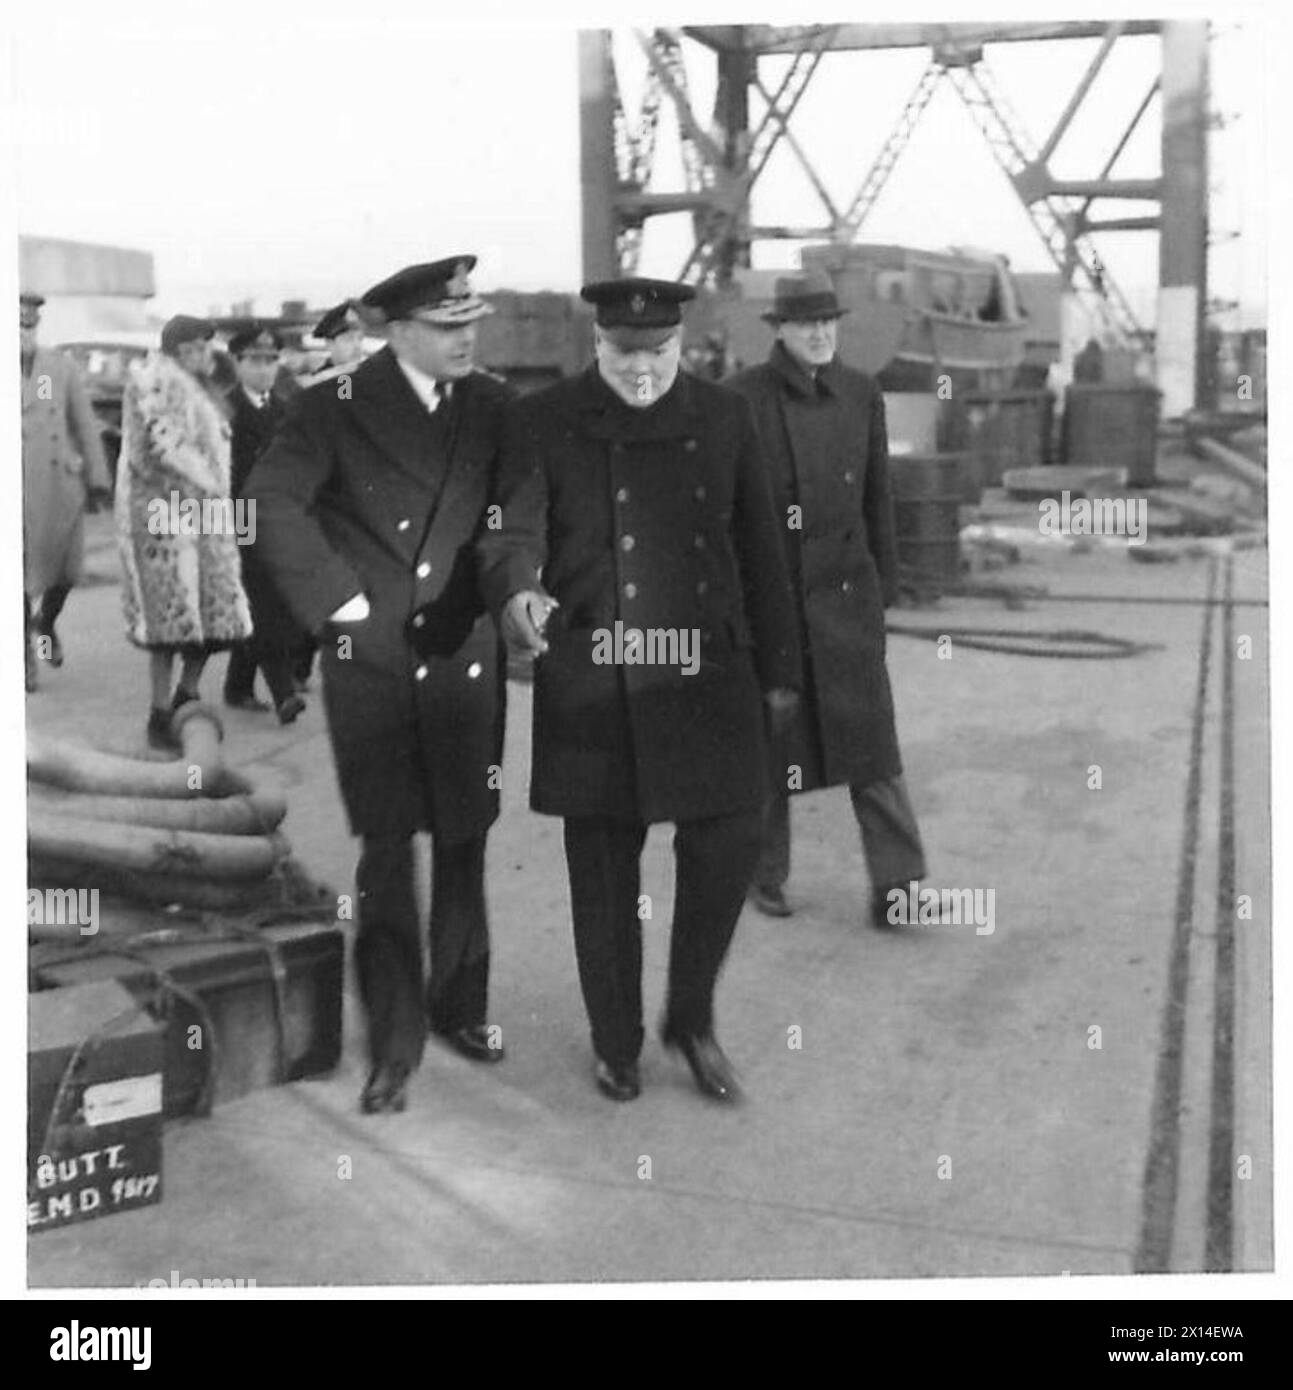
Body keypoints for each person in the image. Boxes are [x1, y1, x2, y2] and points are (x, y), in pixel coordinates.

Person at [478, 276, 801, 1104]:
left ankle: (689, 1020)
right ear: (597, 345)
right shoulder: (543, 419)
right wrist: (517, 586)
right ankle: (616, 1042)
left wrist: (781, 675)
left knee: (725, 847)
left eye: (657, 353)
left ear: (680, 345)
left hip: (706, 673)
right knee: (603, 873)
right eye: (624, 354)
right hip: (597, 675)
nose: (642, 370)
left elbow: (764, 548)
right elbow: (516, 527)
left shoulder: (726, 417)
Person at [247, 256, 513, 1116]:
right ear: (398, 332)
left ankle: (461, 1008)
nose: (465, 336)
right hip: (374, 658)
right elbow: (269, 502)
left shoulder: (495, 406)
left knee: (467, 838)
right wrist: (338, 600)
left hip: (463, 649)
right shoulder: (333, 408)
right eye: (446, 326)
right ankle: (394, 1042)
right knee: (390, 850)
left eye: (470, 320)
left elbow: (517, 513)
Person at [727, 272, 929, 929]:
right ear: (778, 330)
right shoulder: (742, 399)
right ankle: (762, 875)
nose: (819, 334)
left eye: (827, 323)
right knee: (770, 743)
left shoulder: (860, 393)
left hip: (845, 594)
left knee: (873, 748)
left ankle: (898, 889)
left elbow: (878, 498)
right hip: (775, 597)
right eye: (805, 324)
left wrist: (883, 589)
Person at [115, 315, 252, 749]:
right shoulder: (151, 383)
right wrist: (207, 485)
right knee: (168, 621)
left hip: (210, 511)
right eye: (196, 348)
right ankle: (159, 713)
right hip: (163, 511)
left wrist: (218, 498)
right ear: (177, 351)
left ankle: (187, 694)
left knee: (218, 615)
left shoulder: (204, 388)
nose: (205, 355)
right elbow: (161, 446)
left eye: (207, 347)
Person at [20, 290, 113, 690]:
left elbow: (85, 424)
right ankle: (27, 651)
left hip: (60, 487)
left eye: (31, 321)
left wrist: (97, 477)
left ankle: (47, 622)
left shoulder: (57, 367)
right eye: (18, 318)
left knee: (67, 573)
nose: (25, 325)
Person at [220, 324, 306, 723]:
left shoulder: (284, 409)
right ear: (237, 363)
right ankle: (283, 691)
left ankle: (237, 686)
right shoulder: (224, 410)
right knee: (263, 601)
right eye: (255, 361)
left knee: (266, 602)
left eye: (272, 361)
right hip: (241, 517)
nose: (265, 369)